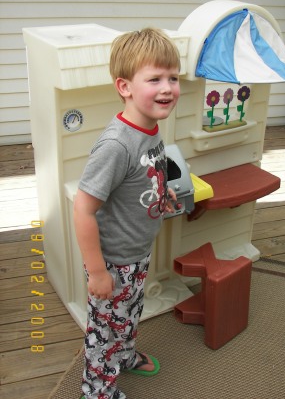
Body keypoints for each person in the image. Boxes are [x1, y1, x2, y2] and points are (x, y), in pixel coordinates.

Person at [73, 27, 181, 399]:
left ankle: (126, 354)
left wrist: (160, 192)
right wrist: (99, 272)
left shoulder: (150, 128)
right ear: (125, 87)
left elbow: (145, 173)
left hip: (137, 252)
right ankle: (97, 390)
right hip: (113, 261)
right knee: (104, 332)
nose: (168, 87)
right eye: (155, 79)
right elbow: (83, 209)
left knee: (129, 315)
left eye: (173, 78)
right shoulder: (116, 144)